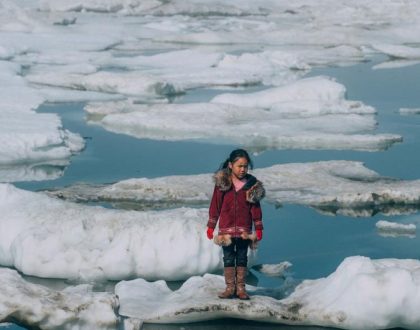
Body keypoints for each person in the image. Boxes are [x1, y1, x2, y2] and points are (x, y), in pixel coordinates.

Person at [206, 149, 265, 300]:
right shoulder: (223, 183)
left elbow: (255, 208)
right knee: (228, 257)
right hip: (226, 229)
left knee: (242, 257)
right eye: (239, 166)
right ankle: (229, 288)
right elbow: (215, 205)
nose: (243, 169)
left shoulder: (252, 185)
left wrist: (258, 227)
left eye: (245, 166)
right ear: (231, 165)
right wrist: (211, 225)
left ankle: (241, 288)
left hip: (244, 230)